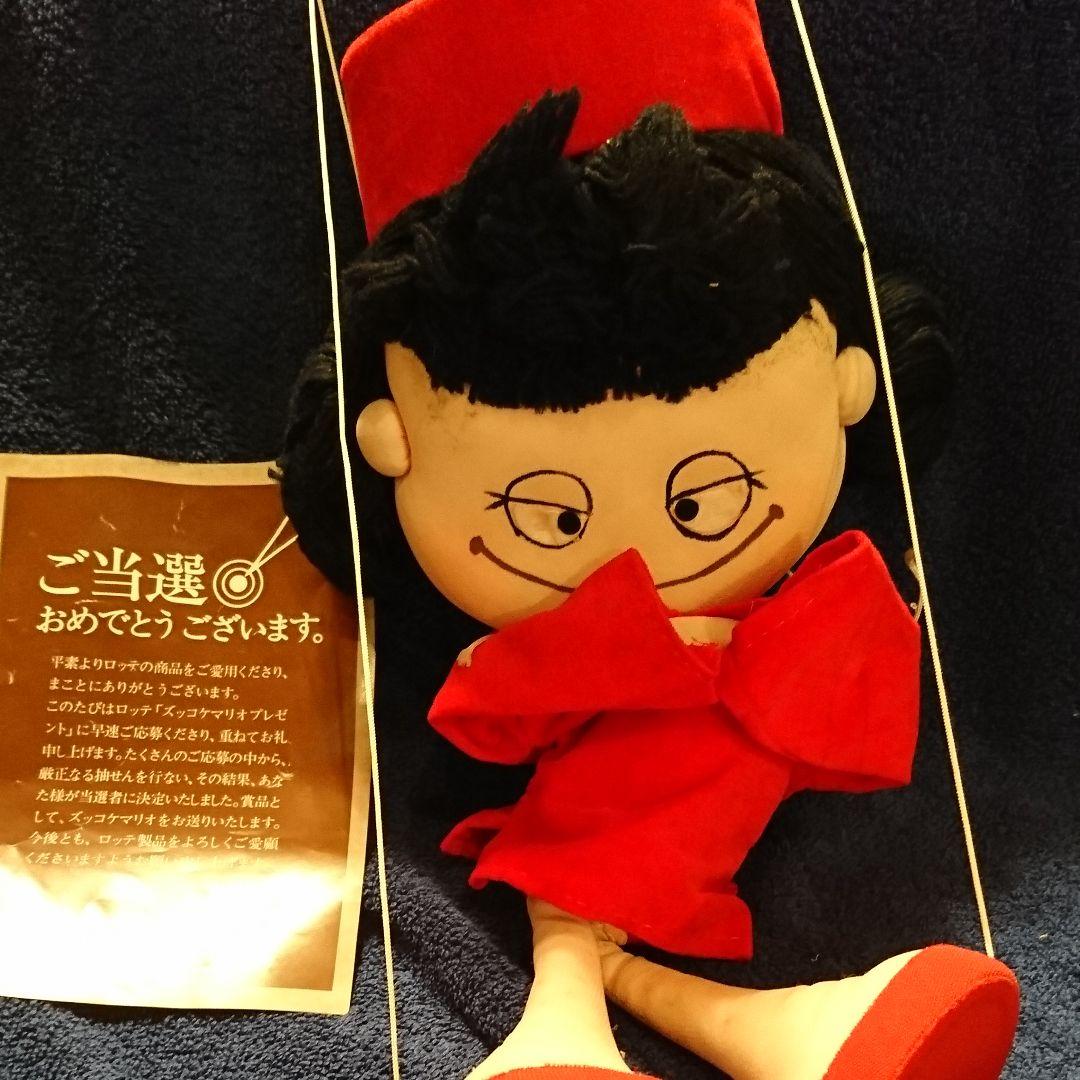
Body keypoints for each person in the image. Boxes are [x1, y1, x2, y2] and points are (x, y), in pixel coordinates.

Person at [277, 1, 1019, 1076]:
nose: (637, 552)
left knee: (596, 920)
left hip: (719, 807)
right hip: (586, 811)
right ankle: (586, 1027)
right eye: (553, 515)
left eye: (701, 498)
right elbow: (489, 712)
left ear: (852, 384)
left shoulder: (821, 614)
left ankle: (755, 1027)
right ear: (383, 444)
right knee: (576, 916)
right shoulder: (587, 647)